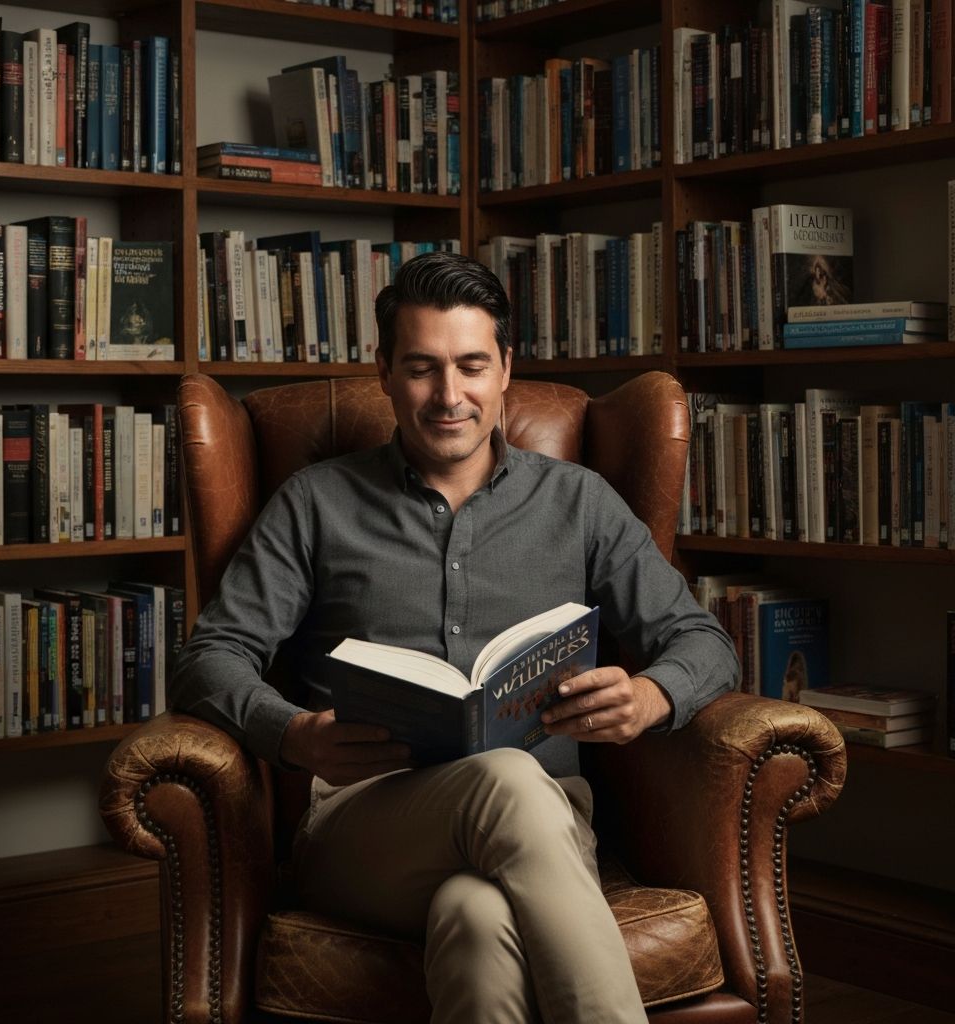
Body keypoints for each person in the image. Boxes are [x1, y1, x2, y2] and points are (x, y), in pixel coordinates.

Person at [170, 251, 740, 1024]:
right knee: (505, 779)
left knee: (478, 922)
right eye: (422, 368)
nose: (449, 396)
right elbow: (209, 658)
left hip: (548, 824)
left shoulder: (578, 502)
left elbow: (703, 642)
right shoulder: (316, 503)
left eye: (472, 366)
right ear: (384, 371)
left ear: (506, 369)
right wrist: (293, 734)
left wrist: (650, 695)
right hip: (365, 830)